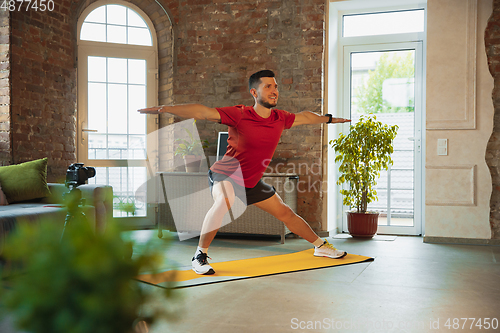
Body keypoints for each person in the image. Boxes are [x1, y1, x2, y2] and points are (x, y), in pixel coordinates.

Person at [139, 70, 351, 275]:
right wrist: (166, 108)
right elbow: (202, 112)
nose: (274, 90)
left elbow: (305, 117)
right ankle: (199, 256)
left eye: (276, 86)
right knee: (225, 200)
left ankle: (320, 246)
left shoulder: (280, 118)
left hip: (251, 181)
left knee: (285, 213)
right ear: (254, 93)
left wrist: (329, 119)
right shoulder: (240, 114)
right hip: (225, 174)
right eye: (268, 86)